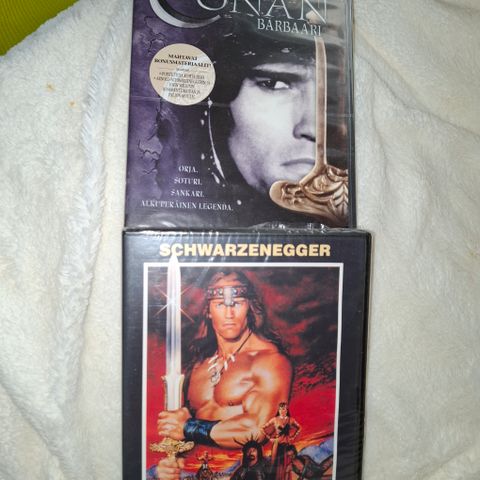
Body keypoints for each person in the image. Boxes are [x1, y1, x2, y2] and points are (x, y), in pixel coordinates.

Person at [157, 270, 292, 479]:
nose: (229, 314)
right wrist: (171, 463)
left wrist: (188, 426)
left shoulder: (270, 361)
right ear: (209, 311)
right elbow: (183, 436)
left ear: (249, 307)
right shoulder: (198, 366)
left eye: (236, 303)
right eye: (220, 304)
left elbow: (257, 430)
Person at [262, 402, 301, 480]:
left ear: (286, 410)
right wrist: (269, 438)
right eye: (280, 409)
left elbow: (299, 428)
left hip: (287, 444)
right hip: (277, 445)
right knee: (276, 463)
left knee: (286, 464)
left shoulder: (291, 420)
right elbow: (262, 428)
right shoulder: (275, 419)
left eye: (283, 409)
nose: (282, 411)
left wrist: (293, 437)